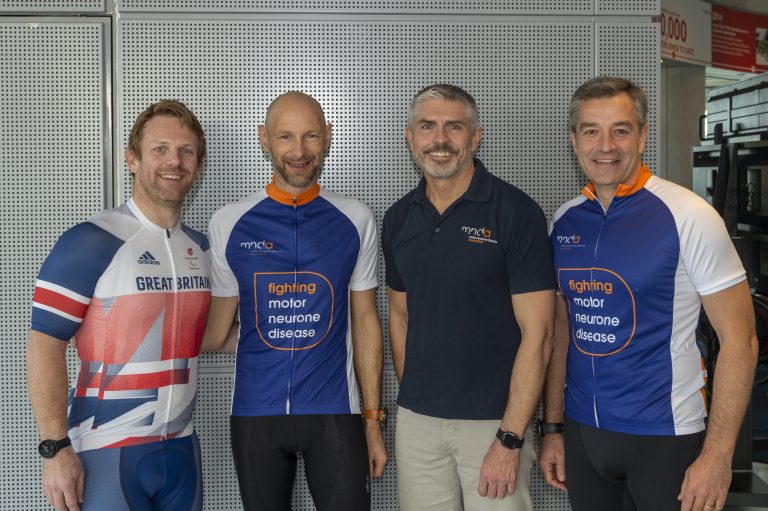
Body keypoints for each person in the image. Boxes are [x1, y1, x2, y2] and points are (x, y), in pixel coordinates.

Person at [540, 76, 759, 511]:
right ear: (574, 140)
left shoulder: (690, 215)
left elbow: (741, 341)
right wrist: (553, 429)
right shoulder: (564, 222)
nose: (606, 145)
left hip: (667, 436)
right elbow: (561, 334)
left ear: (642, 136)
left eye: (621, 130)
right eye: (591, 131)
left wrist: (717, 454)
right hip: (584, 435)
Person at [202, 91, 388, 511]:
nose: (299, 151)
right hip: (255, 412)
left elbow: (364, 323)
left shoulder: (355, 218)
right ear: (263, 139)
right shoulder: (228, 221)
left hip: (336, 412)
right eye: (285, 137)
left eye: (310, 137)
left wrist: (373, 421)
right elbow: (215, 333)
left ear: (328, 137)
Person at [27, 100, 210, 511]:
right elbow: (44, 343)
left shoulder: (202, 247)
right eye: (159, 149)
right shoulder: (90, 240)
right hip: (105, 450)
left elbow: (215, 336)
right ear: (131, 159)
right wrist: (55, 449)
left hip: (182, 450)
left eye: (186, 152)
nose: (173, 162)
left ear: (199, 166)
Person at [383, 83, 555, 510]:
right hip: (419, 423)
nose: (439, 139)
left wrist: (511, 437)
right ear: (411, 137)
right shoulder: (399, 219)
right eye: (427, 127)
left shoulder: (516, 213)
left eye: (453, 127)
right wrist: (419, 395)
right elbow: (400, 316)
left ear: (475, 137)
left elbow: (540, 335)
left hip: (494, 425)